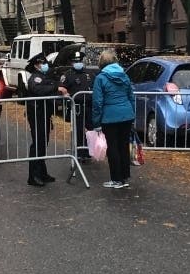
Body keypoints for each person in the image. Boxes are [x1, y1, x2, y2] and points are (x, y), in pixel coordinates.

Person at [91, 47, 136, 189]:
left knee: (113, 148)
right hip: (126, 114)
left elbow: (97, 102)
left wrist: (96, 122)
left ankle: (116, 179)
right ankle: (124, 176)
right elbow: (131, 96)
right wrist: (132, 114)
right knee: (123, 146)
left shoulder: (101, 78)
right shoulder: (124, 75)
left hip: (110, 117)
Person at [24, 53, 67, 186]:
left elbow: (53, 84)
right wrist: (56, 88)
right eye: (42, 63)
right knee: (38, 143)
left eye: (45, 63)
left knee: (43, 143)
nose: (45, 65)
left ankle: (42, 172)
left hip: (44, 113)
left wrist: (60, 89)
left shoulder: (44, 76)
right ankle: (33, 176)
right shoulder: (35, 78)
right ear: (36, 65)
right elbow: (38, 90)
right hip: (36, 113)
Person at [58, 51, 94, 161]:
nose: (78, 63)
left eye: (79, 61)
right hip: (77, 106)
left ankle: (89, 151)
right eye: (75, 61)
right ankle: (79, 152)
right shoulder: (67, 75)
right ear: (72, 62)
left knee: (91, 129)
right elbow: (62, 88)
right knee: (78, 130)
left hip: (88, 105)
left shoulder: (89, 73)